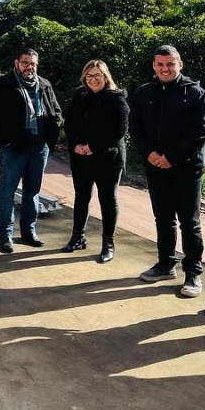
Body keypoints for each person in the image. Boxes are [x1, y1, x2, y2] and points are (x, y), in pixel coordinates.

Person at [128, 45, 205, 297]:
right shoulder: (144, 93)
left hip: (187, 170)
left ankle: (193, 273)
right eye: (160, 64)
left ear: (180, 65)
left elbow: (201, 132)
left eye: (170, 64)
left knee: (190, 222)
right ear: (154, 66)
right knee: (163, 218)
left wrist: (172, 158)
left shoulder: (196, 94)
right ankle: (165, 264)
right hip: (155, 168)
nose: (165, 69)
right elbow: (136, 128)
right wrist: (150, 154)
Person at [0, 48, 63, 254]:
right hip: (14, 149)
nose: (30, 67)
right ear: (16, 63)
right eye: (26, 63)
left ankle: (29, 231)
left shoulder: (44, 85)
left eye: (33, 64)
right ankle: (5, 234)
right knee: (7, 192)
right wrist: (6, 140)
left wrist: (49, 139)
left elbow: (56, 111)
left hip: (38, 148)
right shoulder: (3, 85)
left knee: (33, 191)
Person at [62, 60, 129, 263]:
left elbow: (119, 130)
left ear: (106, 77)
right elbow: (70, 123)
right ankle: (77, 237)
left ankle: (108, 243)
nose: (93, 80)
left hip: (108, 158)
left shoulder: (117, 99)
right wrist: (75, 145)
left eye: (97, 76)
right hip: (81, 157)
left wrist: (93, 147)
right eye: (89, 76)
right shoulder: (80, 97)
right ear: (84, 78)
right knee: (81, 197)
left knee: (107, 199)